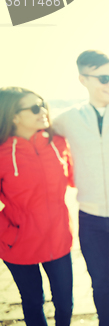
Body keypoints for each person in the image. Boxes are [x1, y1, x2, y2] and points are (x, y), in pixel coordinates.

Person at [52, 50, 109, 326]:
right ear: (83, 79)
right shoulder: (66, 119)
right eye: (104, 78)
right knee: (99, 283)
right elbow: (36, 138)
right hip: (90, 218)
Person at [0, 87, 74, 326]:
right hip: (19, 245)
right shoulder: (2, 153)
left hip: (59, 241)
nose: (42, 111)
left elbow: (75, 179)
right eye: (34, 108)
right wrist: (8, 233)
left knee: (65, 303)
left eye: (42, 105)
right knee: (33, 302)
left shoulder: (58, 143)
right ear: (13, 116)